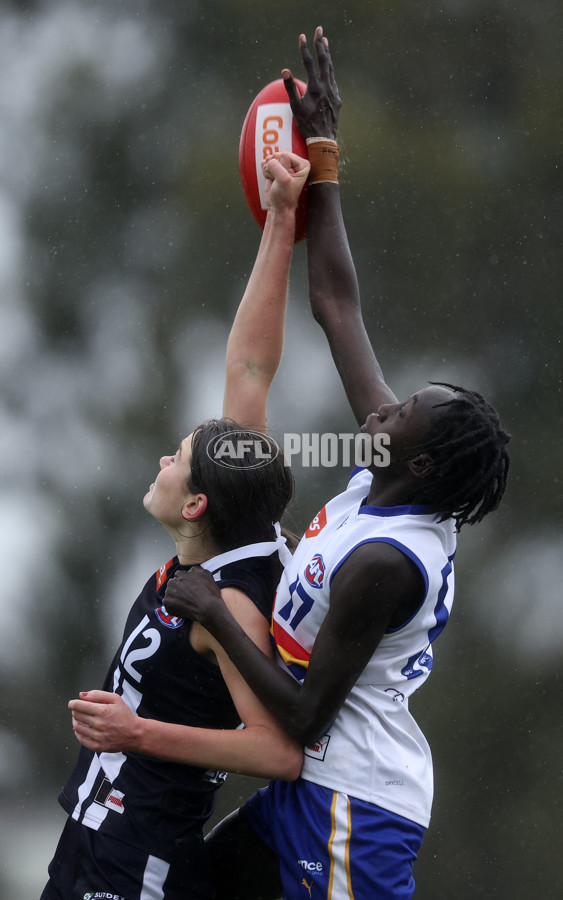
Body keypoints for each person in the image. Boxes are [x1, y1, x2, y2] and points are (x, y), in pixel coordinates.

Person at [70, 27, 511, 900]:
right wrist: (320, 168)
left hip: (356, 804)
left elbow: (304, 717)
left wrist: (213, 614)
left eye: (400, 418)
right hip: (303, 788)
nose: (379, 408)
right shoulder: (383, 467)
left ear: (418, 467)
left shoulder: (386, 561)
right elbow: (338, 304)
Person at [40, 150, 310, 900]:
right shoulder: (239, 508)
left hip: (142, 860)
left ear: (196, 504)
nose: (164, 457)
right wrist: (283, 218)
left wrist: (138, 734)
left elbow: (277, 750)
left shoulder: (233, 602)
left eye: (178, 458)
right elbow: (251, 369)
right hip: (90, 839)